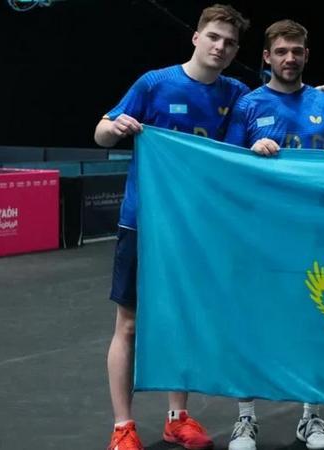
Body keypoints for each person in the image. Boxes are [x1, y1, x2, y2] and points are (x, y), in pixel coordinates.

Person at [94, 5, 250, 450]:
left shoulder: (237, 93)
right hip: (143, 222)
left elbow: (279, 101)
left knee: (182, 320)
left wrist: (323, 92)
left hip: (196, 228)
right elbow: (100, 132)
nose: (220, 47)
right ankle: (123, 426)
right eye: (214, 37)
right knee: (129, 324)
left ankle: (177, 418)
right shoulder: (154, 83)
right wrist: (115, 127)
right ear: (196, 37)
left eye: (230, 43)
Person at [223, 19, 324, 450]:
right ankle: (245, 420)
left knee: (312, 324)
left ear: (306, 55)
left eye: (297, 51)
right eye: (281, 51)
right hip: (259, 237)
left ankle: (311, 418)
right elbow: (225, 166)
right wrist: (249, 153)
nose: (289, 58)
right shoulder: (248, 105)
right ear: (266, 57)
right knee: (251, 325)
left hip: (315, 236)